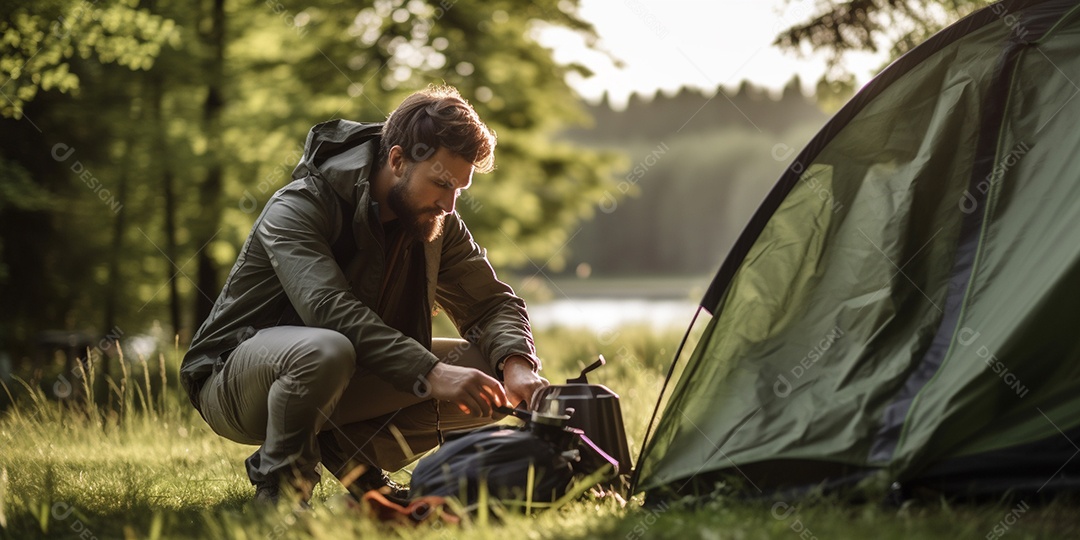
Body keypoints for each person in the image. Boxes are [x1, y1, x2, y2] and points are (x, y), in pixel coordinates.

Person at [179, 85, 548, 505]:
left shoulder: (435, 222)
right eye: (441, 184)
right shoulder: (299, 207)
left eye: (459, 191)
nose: (449, 205)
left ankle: (358, 468)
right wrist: (430, 372)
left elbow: (491, 303)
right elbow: (328, 309)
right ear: (397, 159)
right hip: (234, 379)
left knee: (492, 373)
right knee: (325, 349)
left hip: (340, 370)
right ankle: (282, 492)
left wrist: (517, 364)